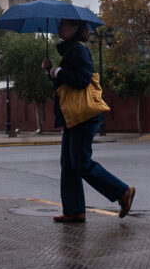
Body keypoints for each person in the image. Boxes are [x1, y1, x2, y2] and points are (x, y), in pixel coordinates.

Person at [42, 18, 135, 223]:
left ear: (75, 27)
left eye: (63, 24)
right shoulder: (71, 49)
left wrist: (58, 71)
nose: (59, 28)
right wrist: (50, 72)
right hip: (73, 116)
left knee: (80, 162)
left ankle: (122, 191)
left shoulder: (79, 48)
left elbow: (82, 79)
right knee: (68, 164)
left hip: (84, 115)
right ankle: (74, 210)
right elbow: (67, 82)